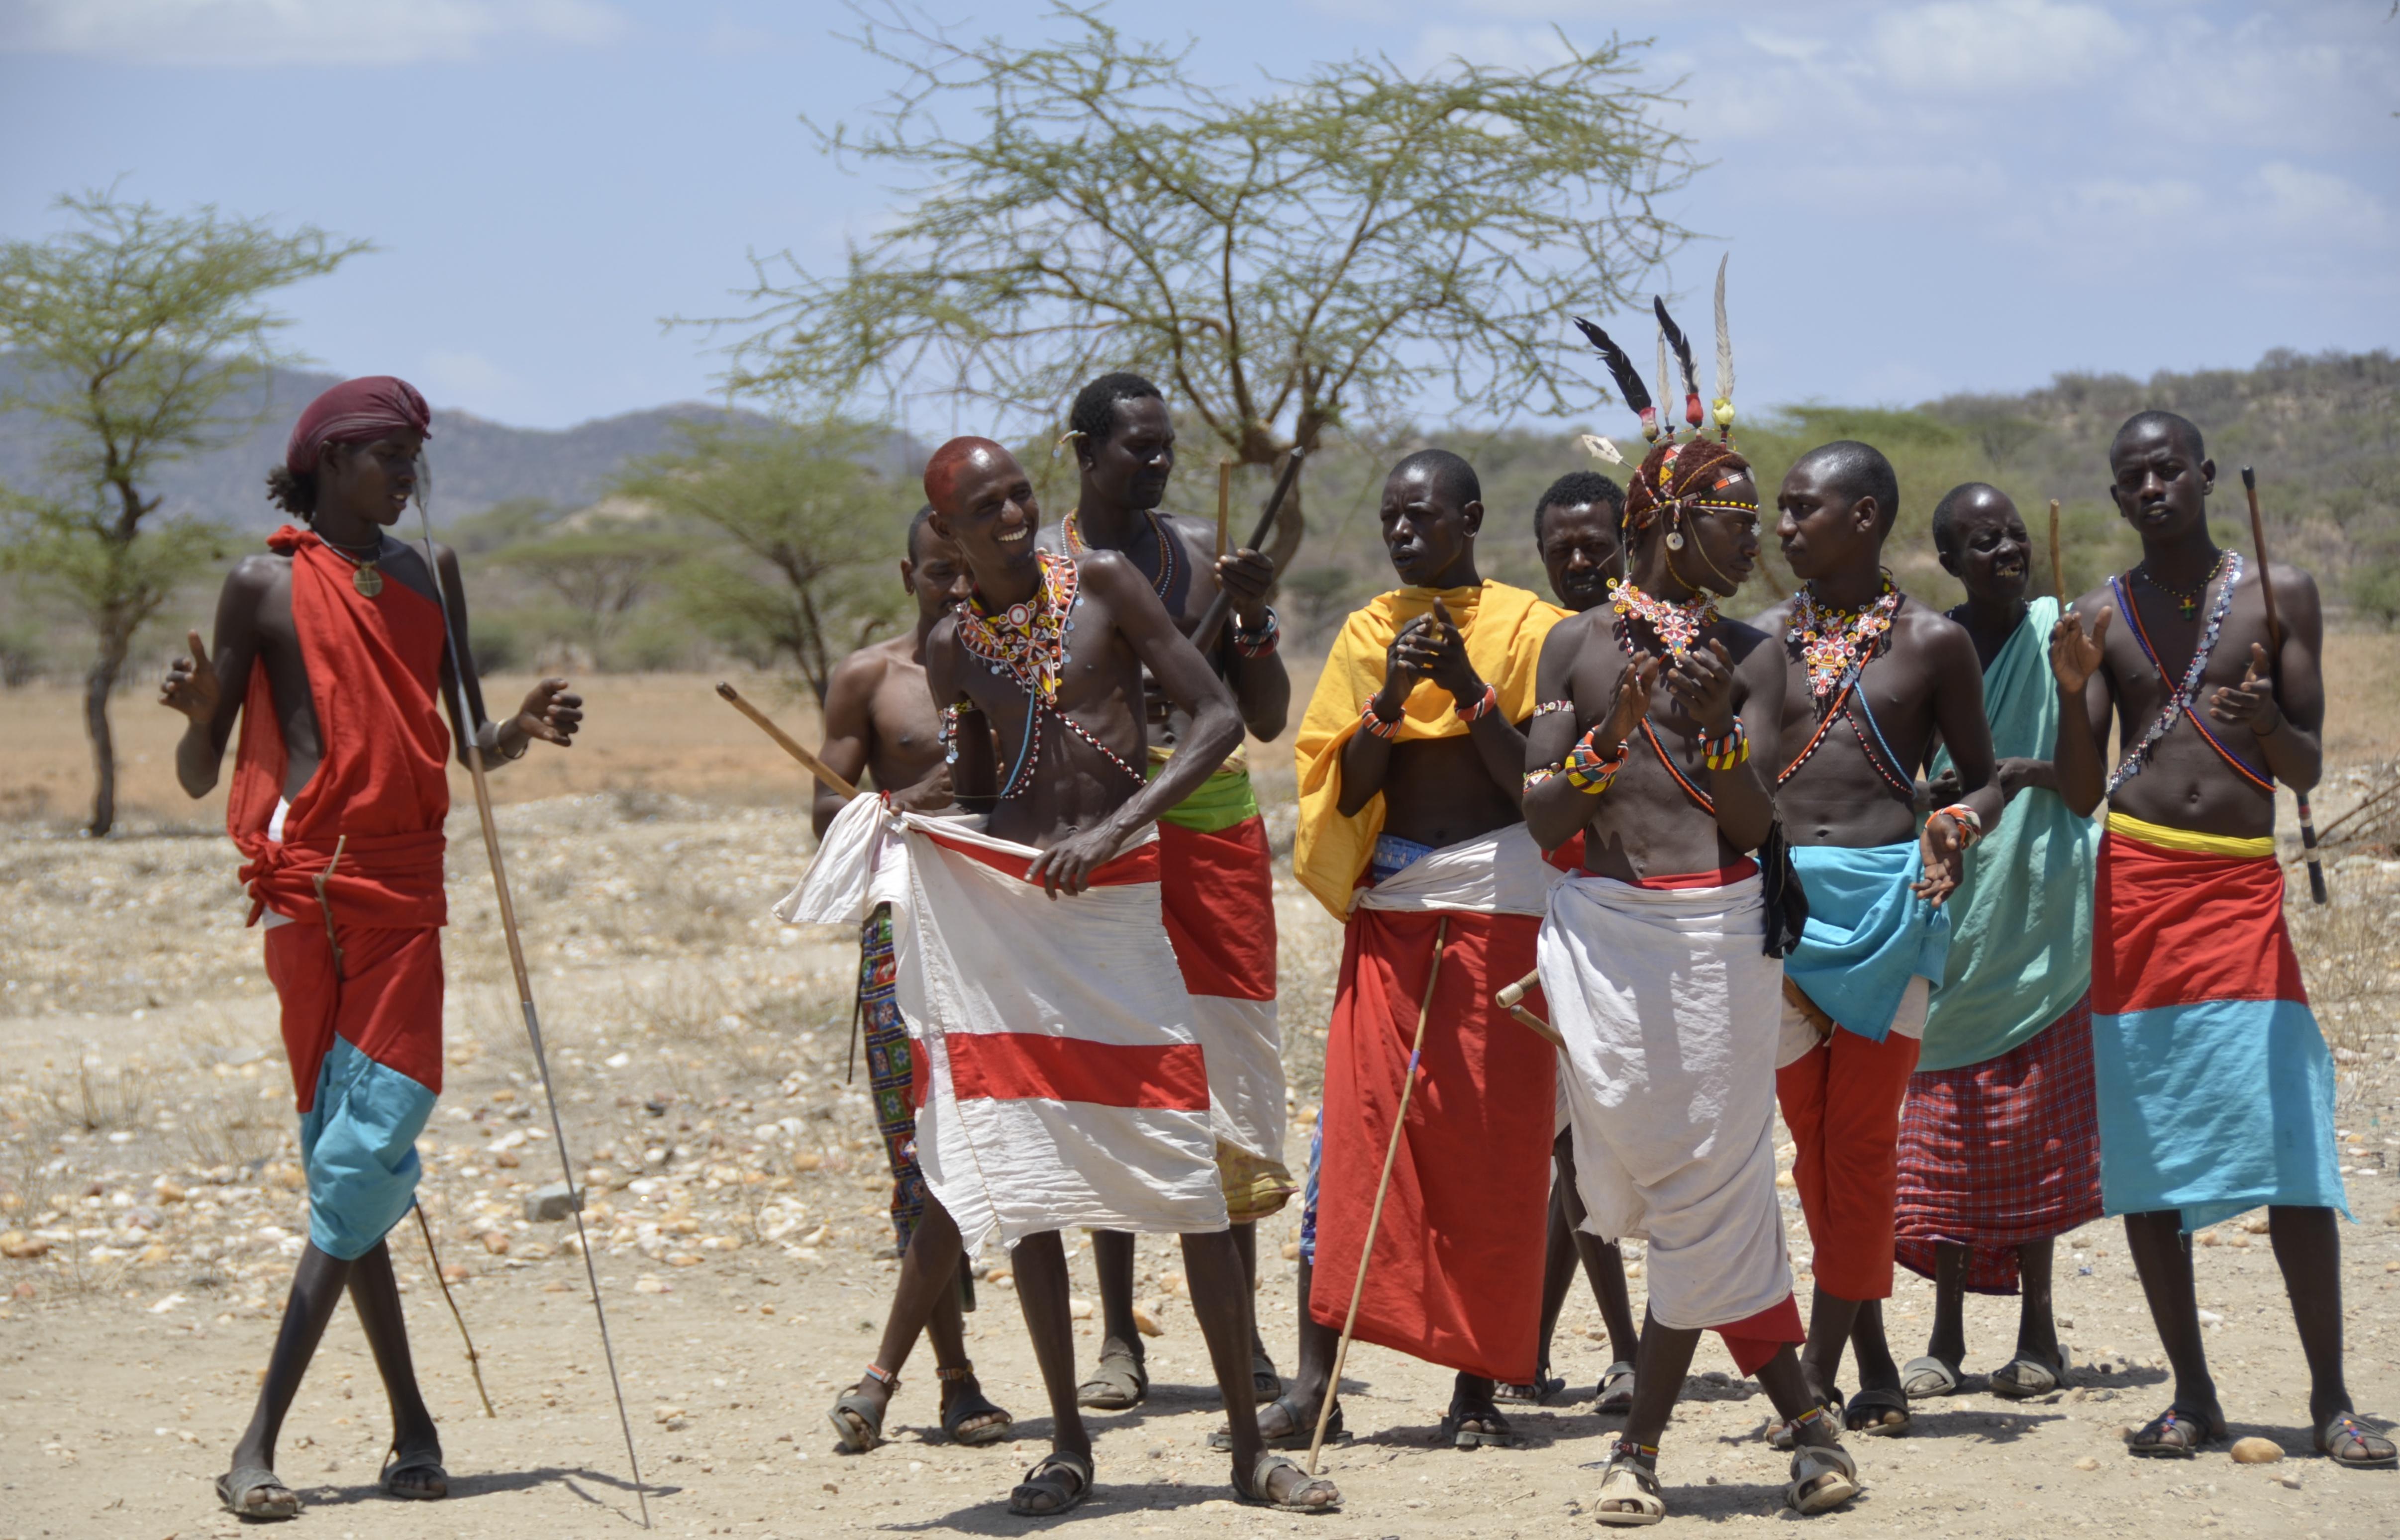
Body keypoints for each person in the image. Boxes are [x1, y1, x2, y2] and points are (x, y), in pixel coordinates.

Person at [805, 437, 1339, 1516]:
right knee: (1035, 1184)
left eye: (1019, 495)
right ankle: (1066, 1442)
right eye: (986, 507)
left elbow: (1218, 720)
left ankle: (1247, 1453)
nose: (1013, 515)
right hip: (1013, 925)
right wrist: (912, 821)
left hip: (1122, 900)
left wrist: (1117, 830)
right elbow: (976, 773)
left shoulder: (1098, 581)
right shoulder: (954, 645)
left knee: (1188, 1177)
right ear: (946, 538)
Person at [158, 377, 584, 1520]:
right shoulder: (264, 583)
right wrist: (203, 717)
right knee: (351, 1167)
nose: (408, 477)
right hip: (306, 895)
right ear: (332, 460)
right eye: (389, 456)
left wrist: (521, 732)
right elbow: (205, 776)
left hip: (408, 894)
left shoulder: (425, 575)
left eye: (415, 459)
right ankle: (413, 1428)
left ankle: (256, 1443)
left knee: (358, 1160)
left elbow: (466, 744)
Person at [1526, 419, 1863, 1524]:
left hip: (1720, 937)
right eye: (1733, 516)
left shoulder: (1761, 656)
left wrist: (1718, 728)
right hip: (1607, 943)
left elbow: (1757, 822)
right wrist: (1608, 738)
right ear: (1669, 522)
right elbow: (1542, 819)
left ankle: (1639, 1448)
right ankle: (1809, 1421)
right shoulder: (1574, 646)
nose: (1755, 535)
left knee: (1704, 1194)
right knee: (1661, 1188)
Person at [2049, 410, 2390, 1468]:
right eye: (2131, 478)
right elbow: (2073, 791)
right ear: (2116, 501)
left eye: (2168, 470)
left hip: (2239, 893)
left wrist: (2265, 726)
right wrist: (2068, 693)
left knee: (2288, 1134)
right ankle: (2192, 1396)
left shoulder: (2278, 596)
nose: (2152, 488)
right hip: (2138, 884)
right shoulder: (2101, 613)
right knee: (2147, 1149)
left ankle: (2333, 1399)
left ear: (2202, 476)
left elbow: (2306, 769)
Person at [1269, 448, 1563, 1452]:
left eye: (1422, 517)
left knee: (1490, 1147)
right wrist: (1391, 704)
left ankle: (1476, 1388)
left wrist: (1469, 689)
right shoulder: (1366, 633)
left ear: (1471, 518)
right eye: (1392, 518)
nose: (1402, 534)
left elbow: (1543, 785)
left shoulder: (1531, 630)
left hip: (1500, 904)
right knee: (1352, 1141)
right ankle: (1318, 1380)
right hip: (1397, 898)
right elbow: (1342, 791)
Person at [1045, 372, 1295, 1414]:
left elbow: (1266, 717)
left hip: (1212, 832)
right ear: (1083, 451)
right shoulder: (1049, 572)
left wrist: (1252, 620)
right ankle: (1117, 1339)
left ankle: (1242, 1338)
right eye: (1137, 449)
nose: (1156, 465)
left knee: (1229, 1081)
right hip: (1103, 840)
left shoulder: (1199, 554)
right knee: (1118, 1071)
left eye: (1167, 449)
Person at [1754, 440, 2004, 1439]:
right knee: (1813, 1152)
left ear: (1863, 518)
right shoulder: (1761, 638)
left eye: (1801, 508)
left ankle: (1812, 1373)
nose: (1781, 527)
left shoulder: (1936, 644)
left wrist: (1959, 825)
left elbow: (1984, 779)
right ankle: (1875, 1363)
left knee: (1858, 1144)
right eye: (1778, 509)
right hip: (1779, 916)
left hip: (1893, 914)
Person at [1875, 484, 2102, 1405]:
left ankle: (2041, 1331)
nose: (2008, 550)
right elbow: (1909, 772)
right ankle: (1945, 1335)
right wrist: (1947, 802)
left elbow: (2091, 786)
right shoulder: (1936, 642)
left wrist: (2033, 767)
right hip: (1957, 891)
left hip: (2044, 898)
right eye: (1984, 540)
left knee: (2036, 1127)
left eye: (2014, 536)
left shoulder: (2069, 630)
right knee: (1947, 1129)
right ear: (1950, 560)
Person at [807, 507, 1011, 1448]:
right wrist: (913, 800)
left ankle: (913, 1375)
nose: (958, 590)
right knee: (915, 1161)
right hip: (903, 934)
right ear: (908, 572)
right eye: (939, 574)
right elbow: (825, 811)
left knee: (991, 1155)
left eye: (970, 574)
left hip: (1008, 937)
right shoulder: (870, 679)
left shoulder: (1026, 671)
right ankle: (953, 1378)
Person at [1496, 469, 1643, 1414]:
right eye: (1563, 550)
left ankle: (1561, 1346)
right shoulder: (1551, 650)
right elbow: (1538, 793)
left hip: (1664, 906)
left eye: (1597, 544)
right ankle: (1614, 1348)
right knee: (1569, 1143)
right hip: (1567, 899)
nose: (1581, 560)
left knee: (1615, 1141)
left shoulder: (1675, 635)